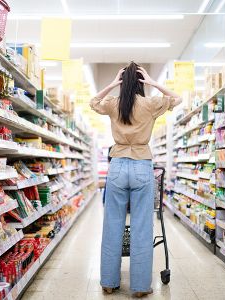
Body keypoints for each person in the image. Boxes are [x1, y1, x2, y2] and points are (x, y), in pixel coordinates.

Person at [90, 62, 181, 297]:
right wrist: (152, 82)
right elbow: (177, 98)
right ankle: (140, 287)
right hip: (142, 164)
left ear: (123, 81)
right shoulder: (150, 103)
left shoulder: (114, 103)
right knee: (141, 226)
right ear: (141, 82)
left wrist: (112, 83)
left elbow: (93, 103)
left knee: (112, 225)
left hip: (118, 164)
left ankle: (108, 282)